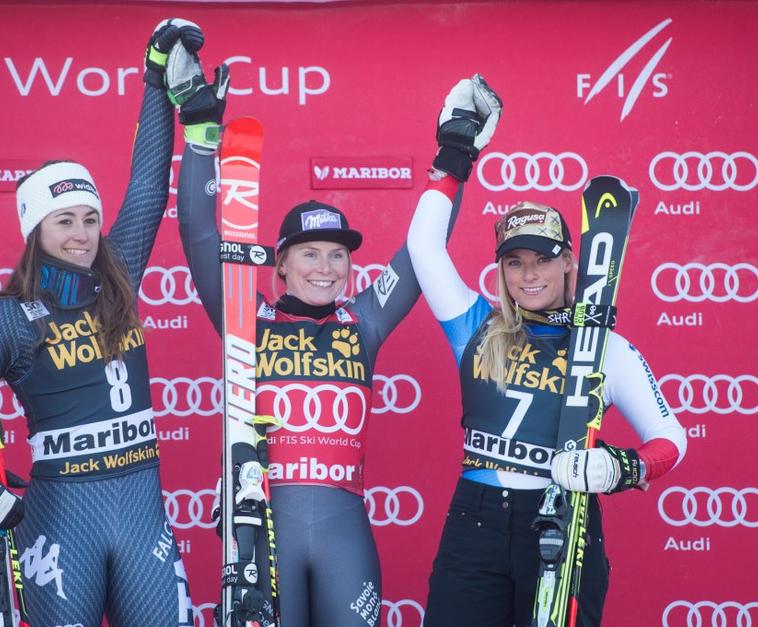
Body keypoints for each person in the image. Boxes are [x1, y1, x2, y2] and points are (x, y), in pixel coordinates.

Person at [0, 19, 200, 627]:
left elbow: (147, 187)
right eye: (64, 221)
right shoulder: (7, 316)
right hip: (62, 520)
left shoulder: (117, 273)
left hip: (141, 511)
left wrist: (156, 77)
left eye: (89, 218)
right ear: (35, 231)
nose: (82, 234)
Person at [169, 29, 442, 627]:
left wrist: (453, 162)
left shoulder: (364, 321)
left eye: (338, 255)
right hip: (267, 527)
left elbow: (422, 252)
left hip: (345, 531)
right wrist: (200, 135)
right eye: (311, 254)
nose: (326, 267)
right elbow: (199, 233)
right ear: (282, 264)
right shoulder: (246, 317)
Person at [406, 76, 687, 627]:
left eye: (542, 259)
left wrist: (622, 467)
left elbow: (671, 437)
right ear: (501, 269)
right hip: (475, 523)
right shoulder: (475, 326)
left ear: (568, 263)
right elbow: (423, 246)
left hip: (565, 522)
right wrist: (454, 156)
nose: (528, 274)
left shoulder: (604, 348)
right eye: (515, 262)